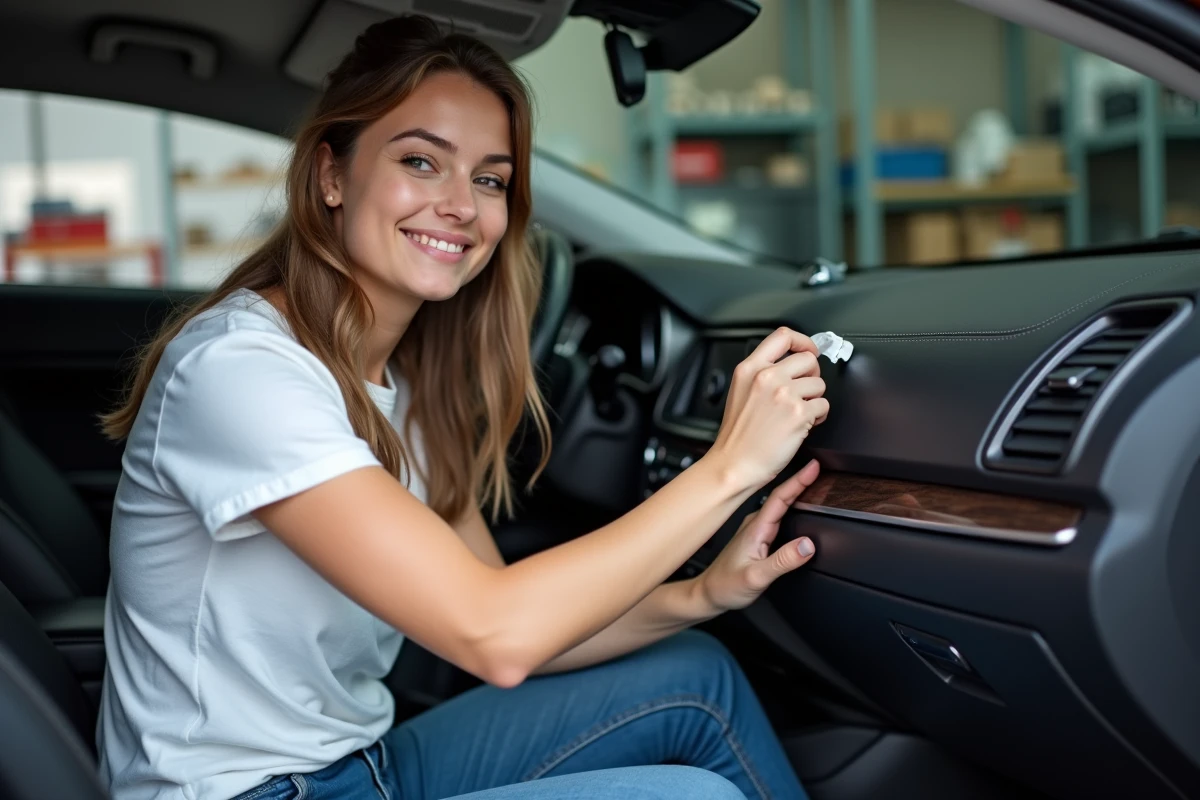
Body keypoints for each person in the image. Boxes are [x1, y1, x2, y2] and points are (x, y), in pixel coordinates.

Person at [96, 15, 829, 800]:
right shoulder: (242, 371)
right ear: (331, 177)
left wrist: (703, 594)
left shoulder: (398, 383)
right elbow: (496, 634)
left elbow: (525, 630)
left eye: (489, 179)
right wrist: (729, 467)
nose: (460, 205)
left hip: (359, 767)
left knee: (696, 678)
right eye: (421, 161)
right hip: (247, 794)